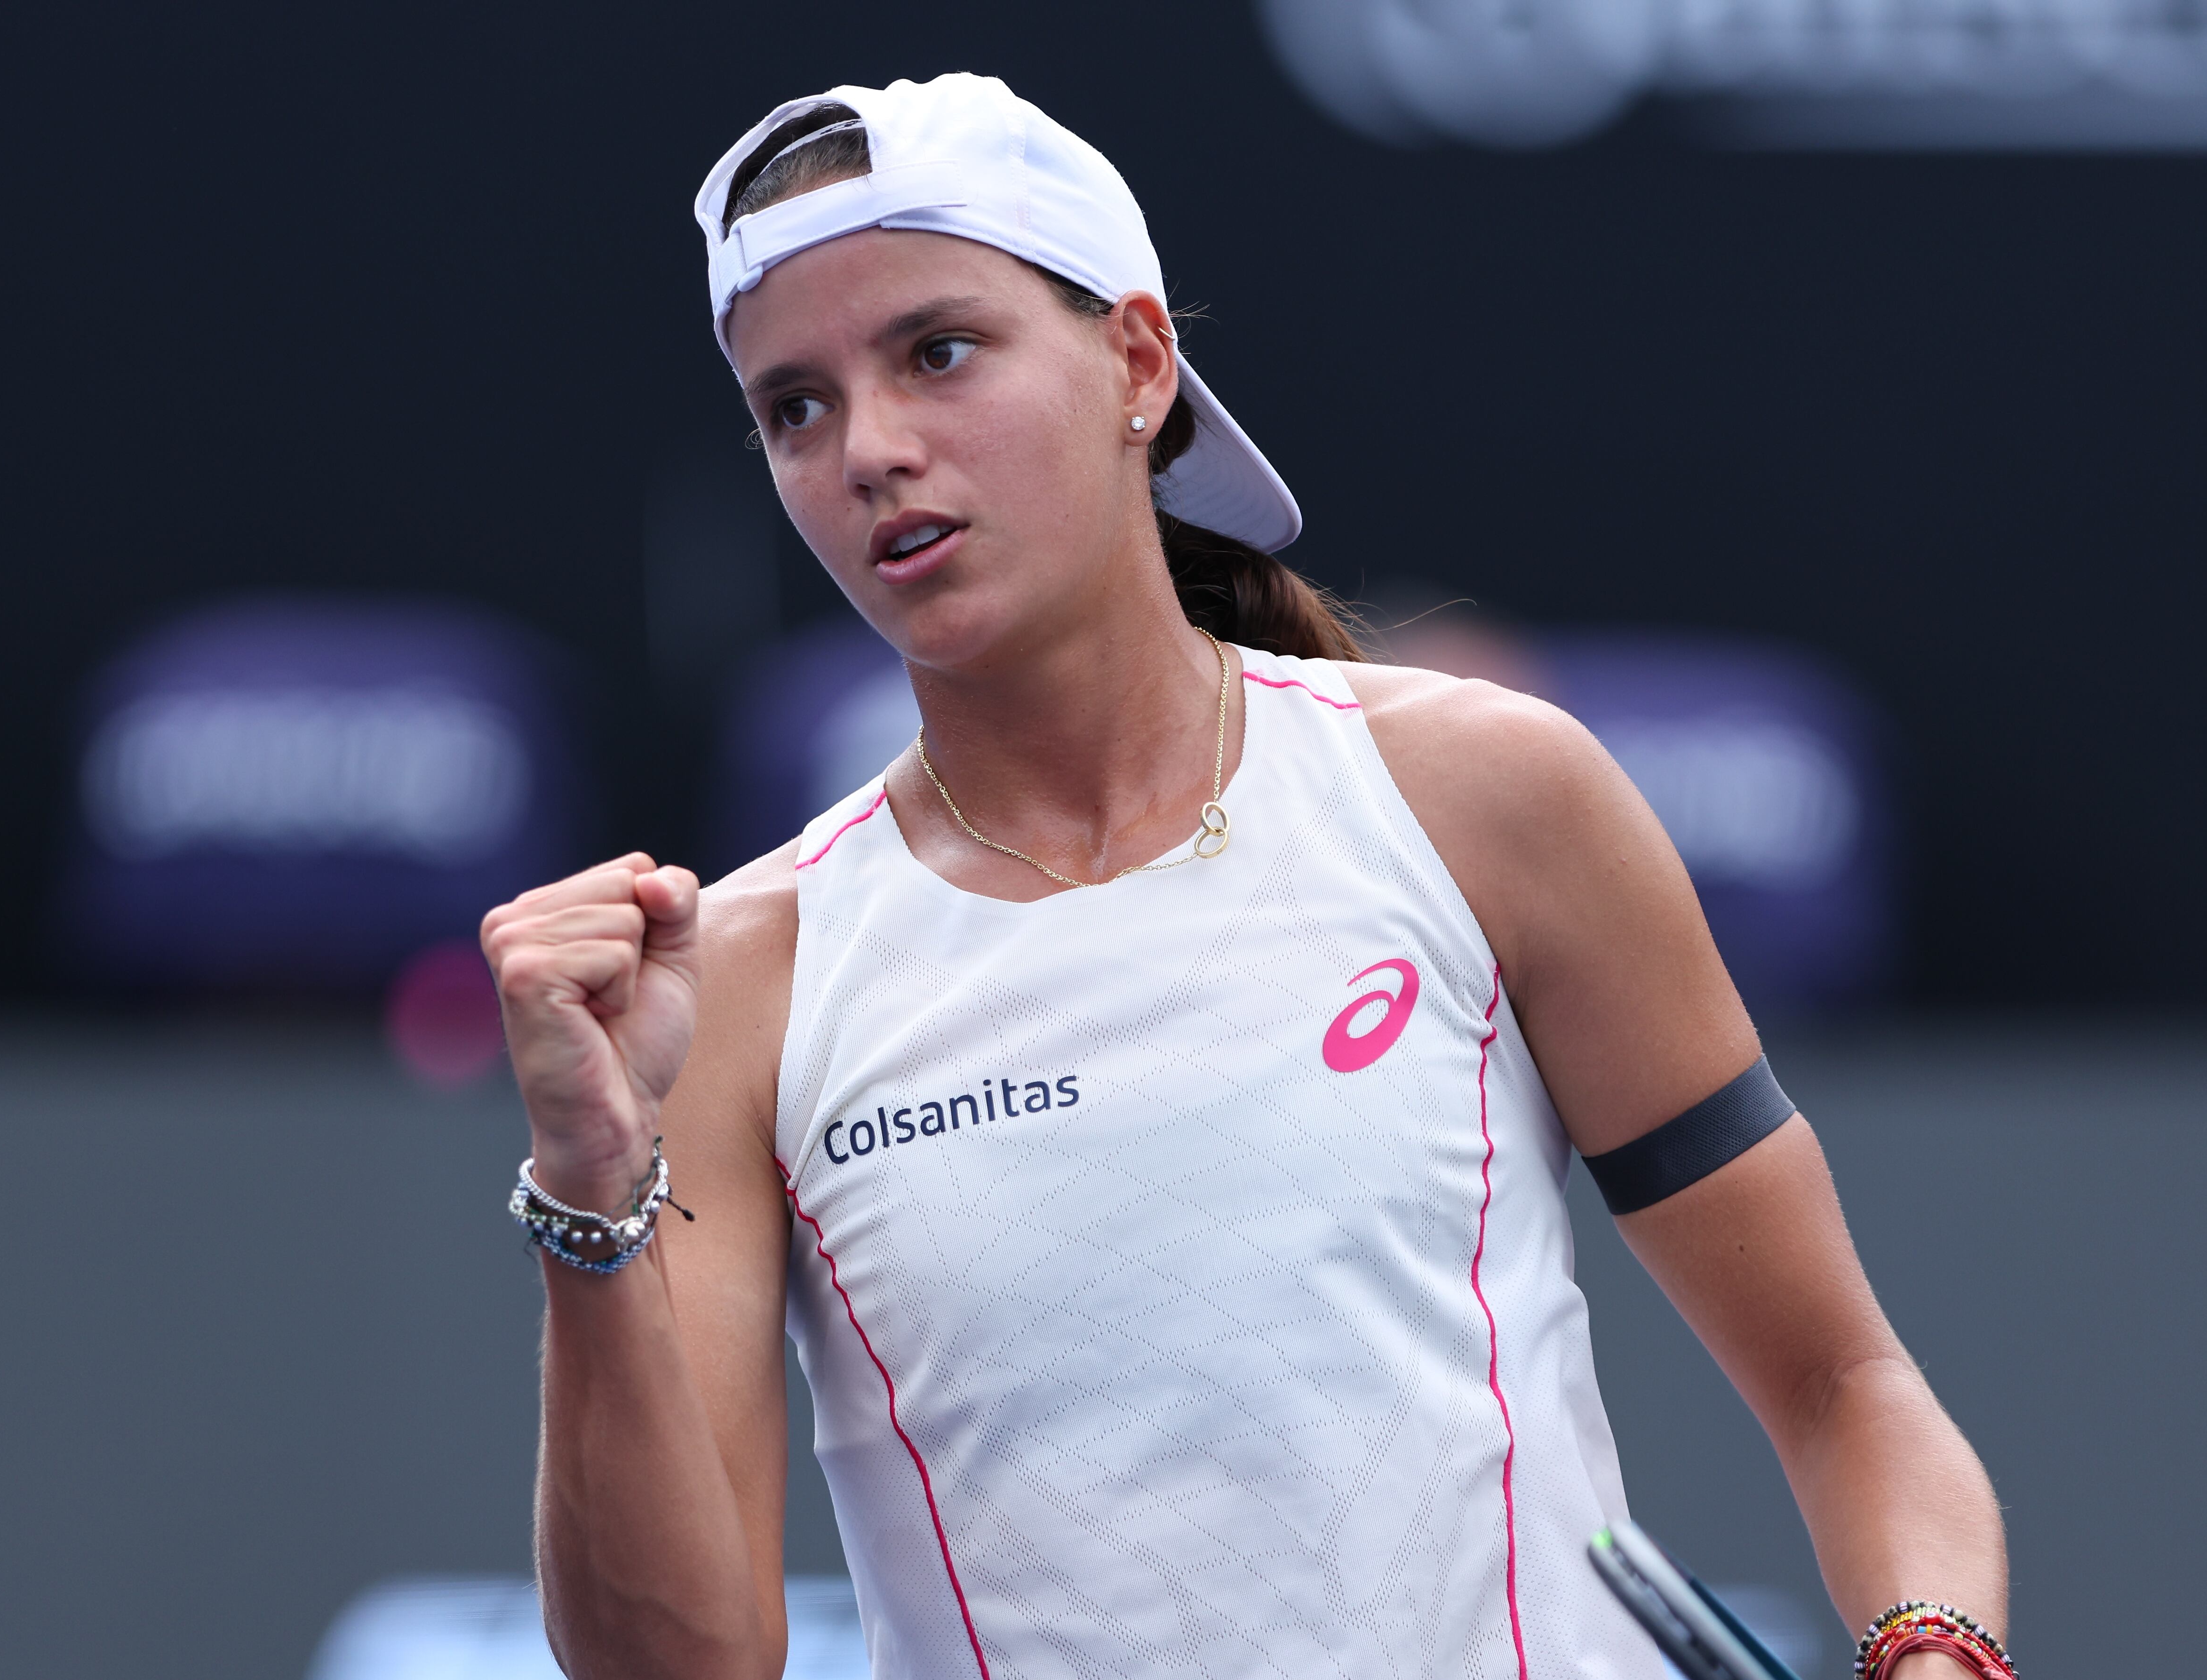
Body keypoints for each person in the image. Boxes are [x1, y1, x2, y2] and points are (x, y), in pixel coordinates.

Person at [479, 73, 2007, 1680]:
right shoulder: (746, 973)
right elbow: (674, 1667)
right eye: (795, 406)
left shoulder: (1484, 795)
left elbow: (1844, 1385)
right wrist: (588, 1191)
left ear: (1139, 364)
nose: (870, 449)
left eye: (937, 352)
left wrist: (1933, 1650)